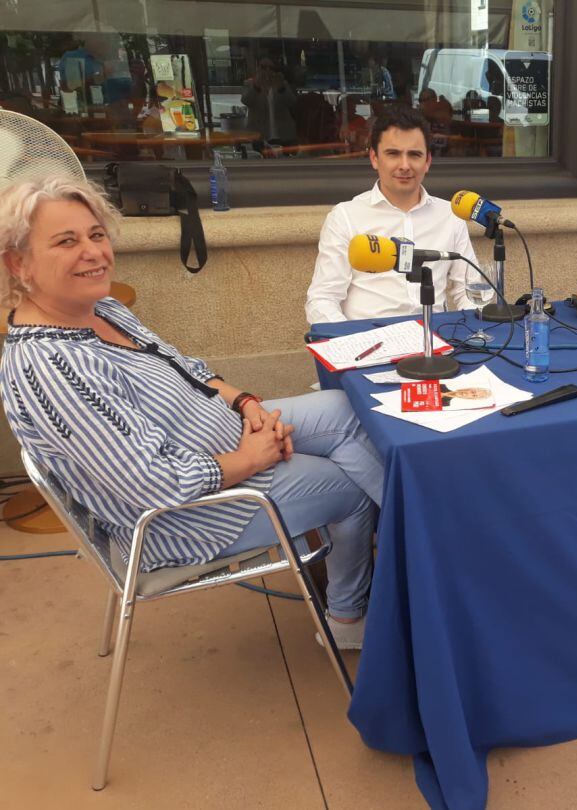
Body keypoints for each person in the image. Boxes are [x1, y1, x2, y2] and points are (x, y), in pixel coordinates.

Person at [0, 178, 383, 650]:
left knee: (350, 411)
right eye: (66, 241)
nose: (93, 252)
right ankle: (351, 616)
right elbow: (150, 484)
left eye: (96, 234)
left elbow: (187, 370)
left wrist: (246, 405)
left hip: (230, 439)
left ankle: (422, 535)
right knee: (350, 486)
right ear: (18, 263)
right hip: (182, 518)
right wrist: (251, 458)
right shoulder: (52, 366)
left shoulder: (101, 308)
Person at [306, 107, 478, 323]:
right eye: (393, 154)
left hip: (437, 342)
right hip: (370, 344)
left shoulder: (450, 216)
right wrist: (351, 342)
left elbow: (471, 291)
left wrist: (470, 332)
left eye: (414, 155)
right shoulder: (345, 217)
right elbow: (322, 299)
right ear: (374, 158)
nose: (404, 166)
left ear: (427, 162)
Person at [242, 58, 298, 149]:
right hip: (259, 136)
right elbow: (246, 100)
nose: (267, 71)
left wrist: (281, 88)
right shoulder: (249, 84)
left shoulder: (282, 83)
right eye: (263, 67)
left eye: (271, 68)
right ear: (258, 68)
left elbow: (292, 102)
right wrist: (257, 86)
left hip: (283, 136)